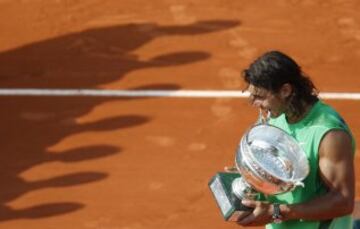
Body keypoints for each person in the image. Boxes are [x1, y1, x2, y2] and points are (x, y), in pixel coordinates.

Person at [236, 50, 356, 229]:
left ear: (285, 90)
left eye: (260, 96)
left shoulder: (328, 134)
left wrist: (276, 212)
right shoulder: (273, 115)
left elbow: (343, 201)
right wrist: (250, 177)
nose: (254, 102)